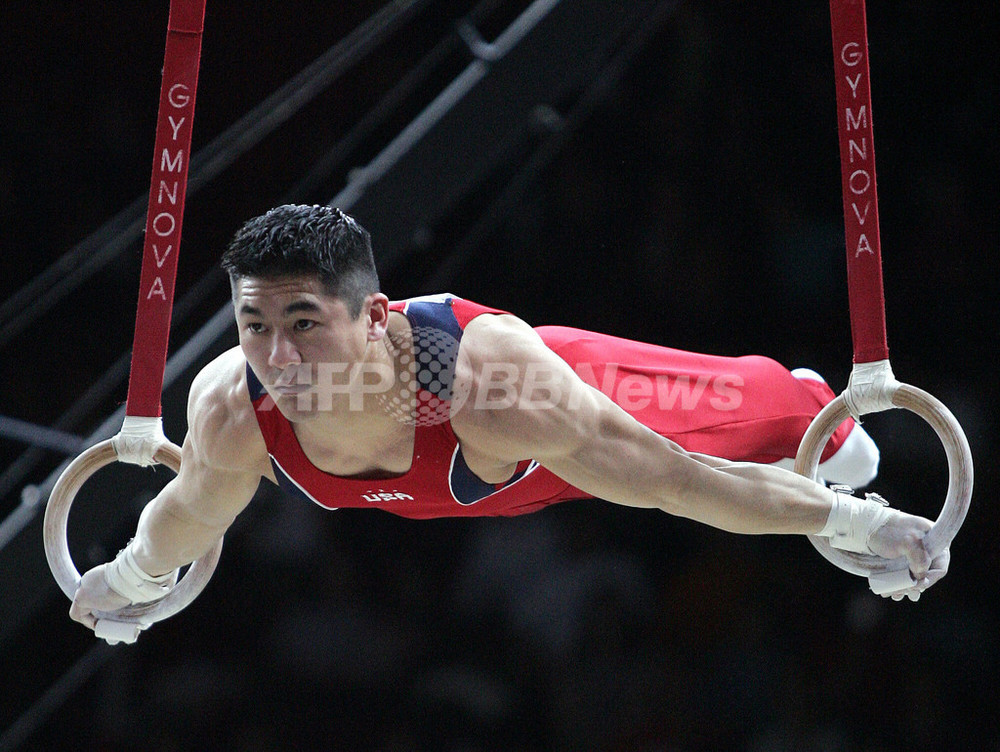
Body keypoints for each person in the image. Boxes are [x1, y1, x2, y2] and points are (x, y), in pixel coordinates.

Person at [70, 204, 949, 630]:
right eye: (255, 327)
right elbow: (187, 512)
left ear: (375, 315)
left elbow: (685, 488)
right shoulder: (234, 410)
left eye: (304, 324)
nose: (279, 359)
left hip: (556, 415)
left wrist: (859, 521)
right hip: (499, 473)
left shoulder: (498, 389)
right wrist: (135, 581)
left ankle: (811, 410)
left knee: (743, 414)